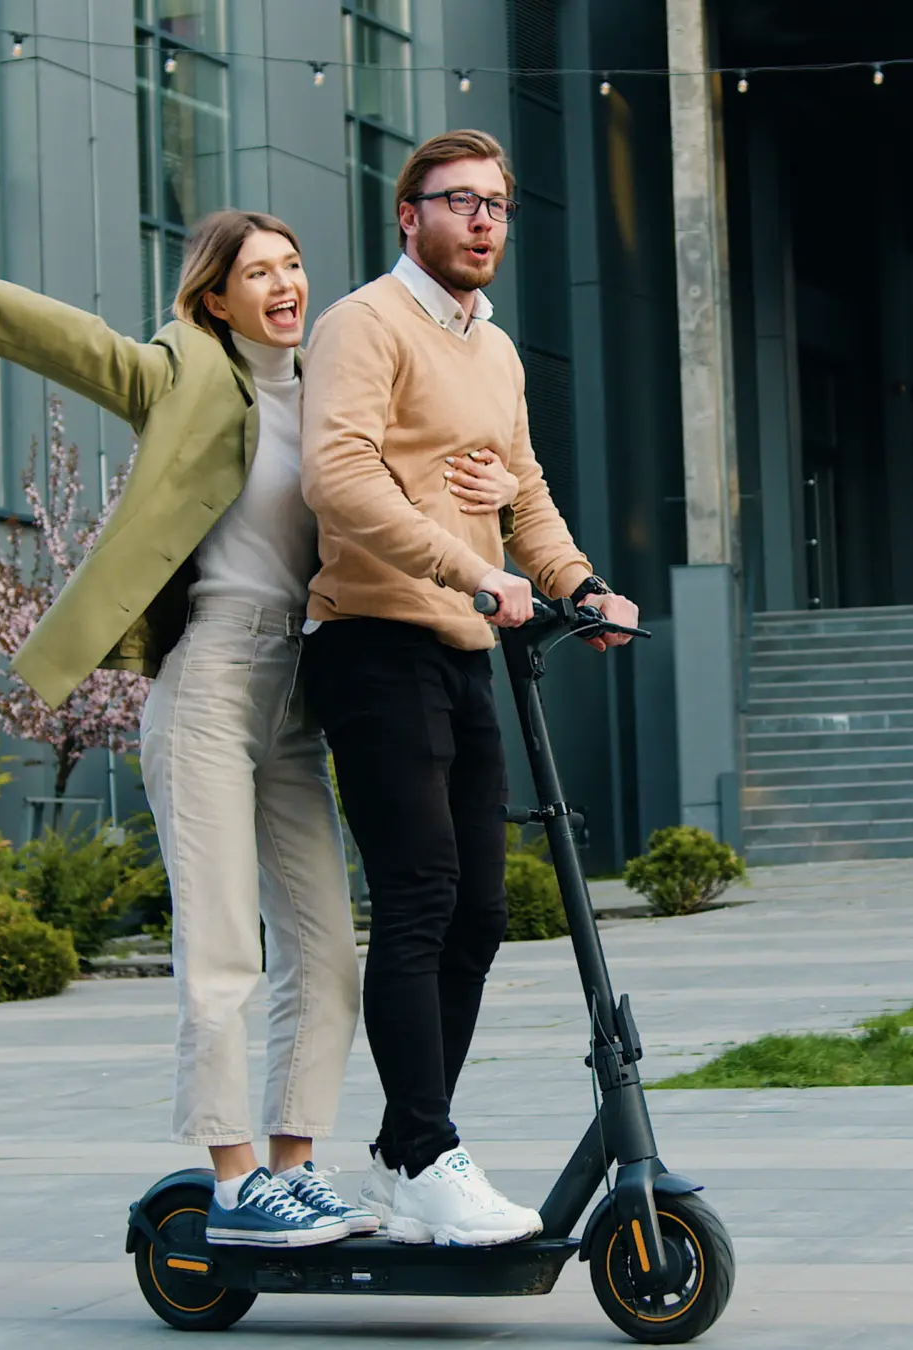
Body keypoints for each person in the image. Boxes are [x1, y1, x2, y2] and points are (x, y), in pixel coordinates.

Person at [0, 197, 523, 1248]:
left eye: (294, 264)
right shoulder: (184, 371)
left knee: (323, 943)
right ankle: (230, 1177)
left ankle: (294, 1165)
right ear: (214, 296)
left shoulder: (328, 391)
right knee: (223, 944)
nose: (284, 285)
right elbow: (91, 353)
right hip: (212, 674)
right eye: (256, 271)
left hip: (299, 691)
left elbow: (402, 482)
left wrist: (490, 478)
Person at [298, 129, 640, 1248]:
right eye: (458, 203)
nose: (482, 220)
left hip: (460, 646)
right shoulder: (363, 324)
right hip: (372, 640)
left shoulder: (494, 348)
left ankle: (408, 1156)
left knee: (481, 914)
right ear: (410, 217)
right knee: (419, 898)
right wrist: (474, 571)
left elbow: (521, 488)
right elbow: (338, 477)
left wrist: (578, 583)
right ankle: (428, 1151)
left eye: (495, 203)